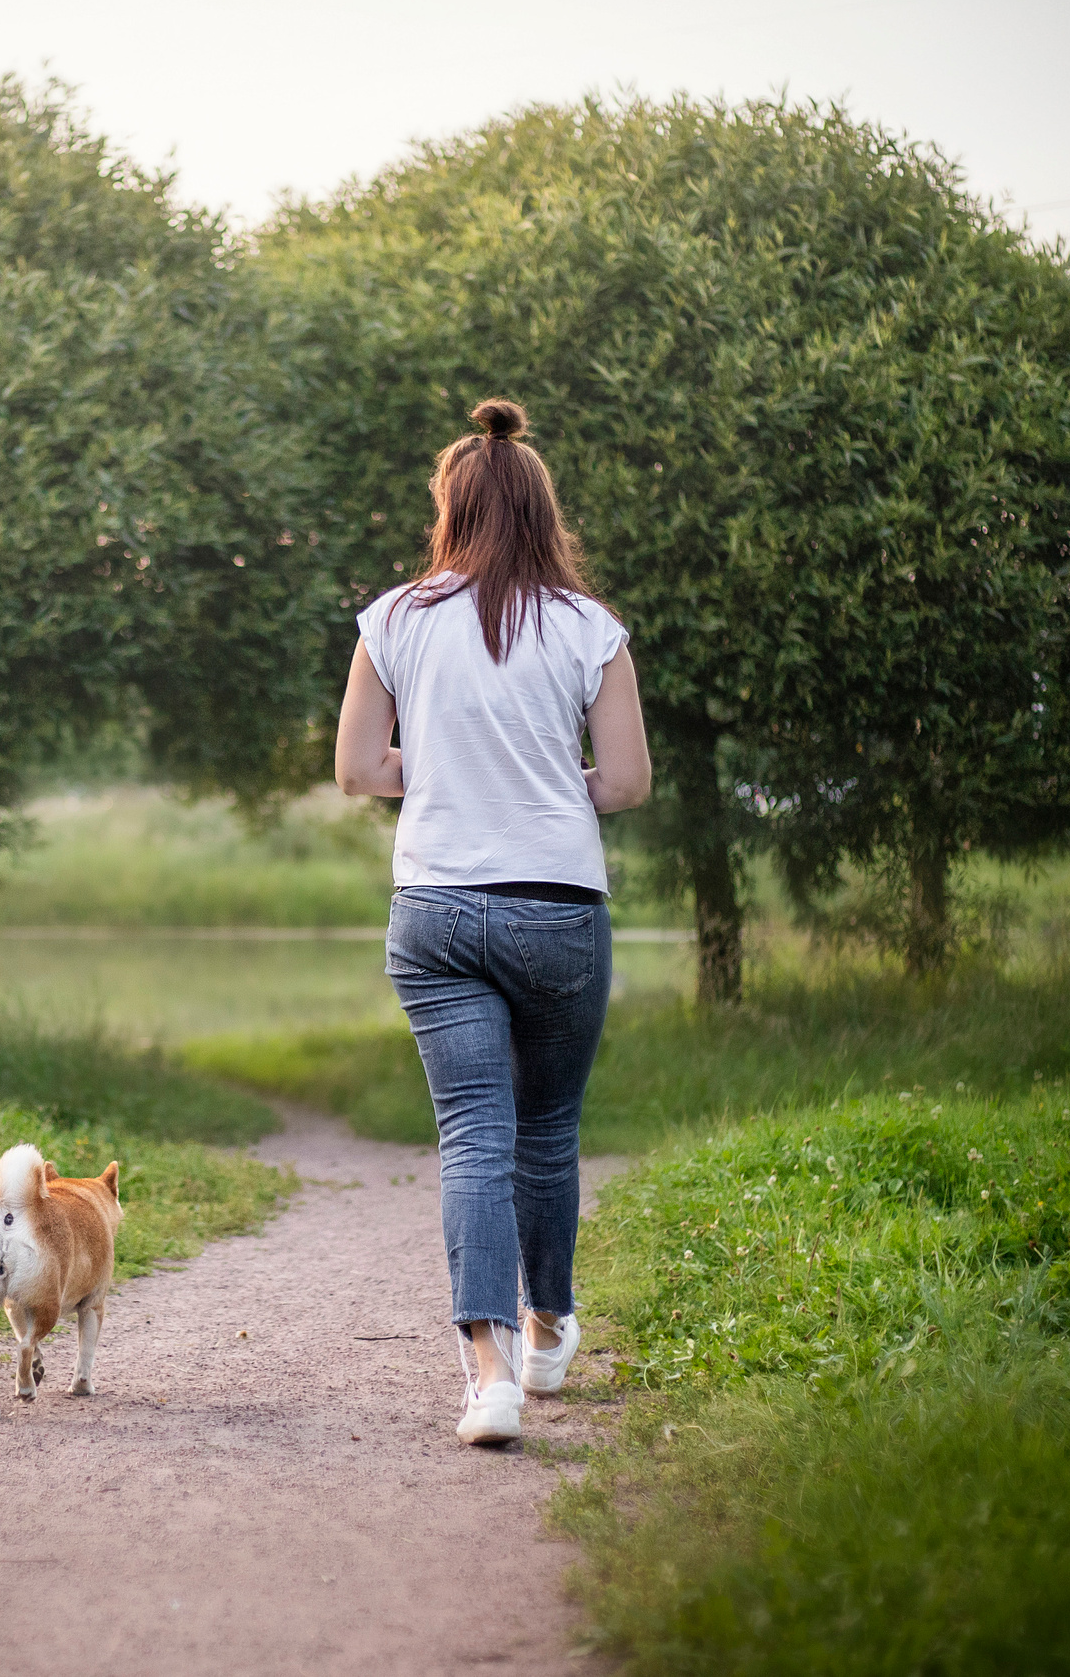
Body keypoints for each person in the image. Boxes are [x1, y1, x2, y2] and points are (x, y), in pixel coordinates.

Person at [334, 397, 652, 1446]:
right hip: (558, 906)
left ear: (450, 506)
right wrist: (545, 782)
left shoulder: (394, 619)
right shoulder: (588, 628)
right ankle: (547, 1322)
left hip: (433, 910)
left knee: (473, 1133)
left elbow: (356, 770)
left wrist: (444, 770)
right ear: (539, 507)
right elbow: (628, 783)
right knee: (546, 1130)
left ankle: (489, 1377)